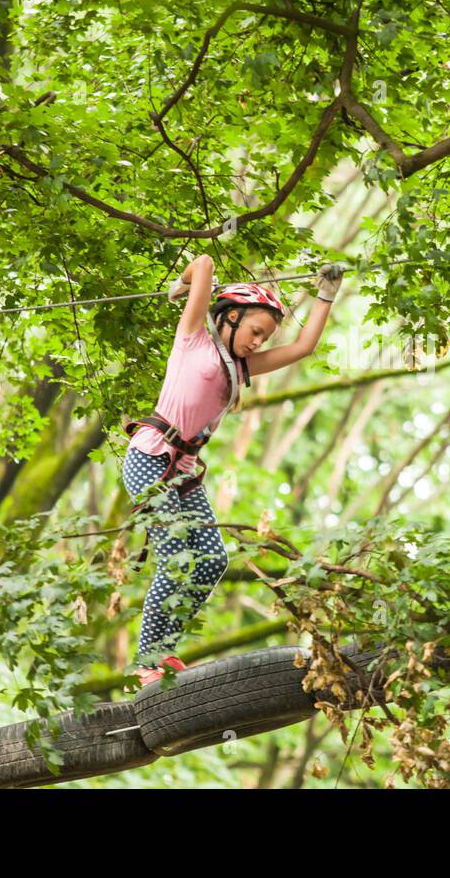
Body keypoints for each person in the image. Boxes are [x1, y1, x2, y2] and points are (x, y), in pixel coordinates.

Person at [122, 254, 345, 684]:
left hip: (184, 469)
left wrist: (325, 296)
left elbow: (303, 348)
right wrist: (183, 284)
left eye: (265, 337)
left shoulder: (238, 367)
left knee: (211, 558)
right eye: (255, 331)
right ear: (231, 317)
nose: (259, 342)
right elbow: (203, 262)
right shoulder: (193, 339)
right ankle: (146, 661)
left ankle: (164, 651)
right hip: (149, 456)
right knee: (175, 555)